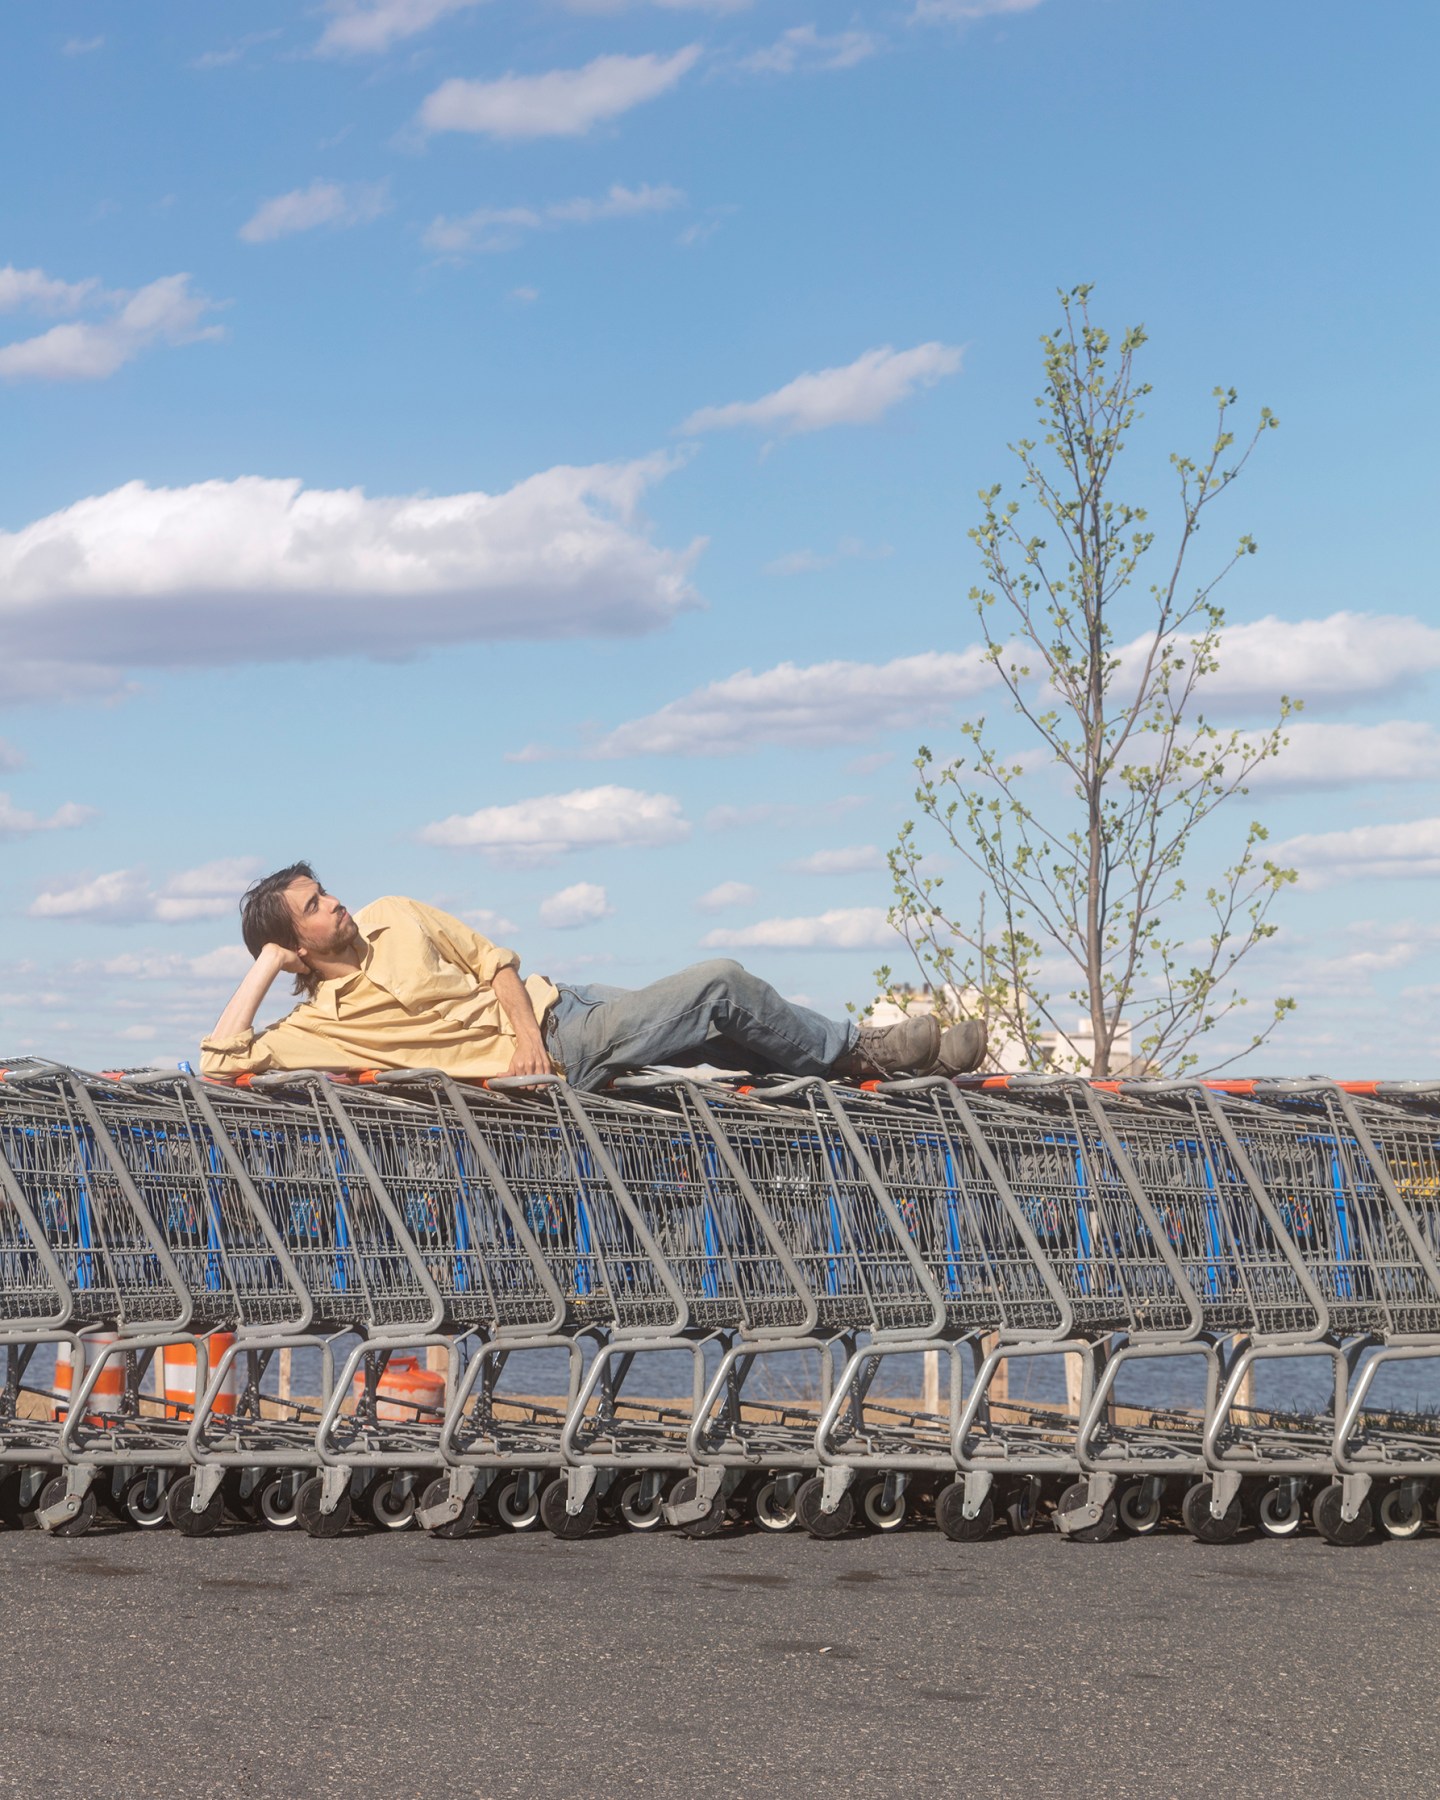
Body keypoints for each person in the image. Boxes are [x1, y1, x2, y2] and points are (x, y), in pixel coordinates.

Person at [198, 862, 987, 1091]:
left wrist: (523, 1033)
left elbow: (495, 962)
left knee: (721, 1029)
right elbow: (217, 1062)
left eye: (324, 890)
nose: (333, 900)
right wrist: (266, 963)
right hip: (559, 1052)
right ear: (293, 945)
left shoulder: (394, 913)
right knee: (719, 983)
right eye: (313, 905)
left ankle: (906, 1064)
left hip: (556, 1010)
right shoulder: (314, 1026)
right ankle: (864, 1052)